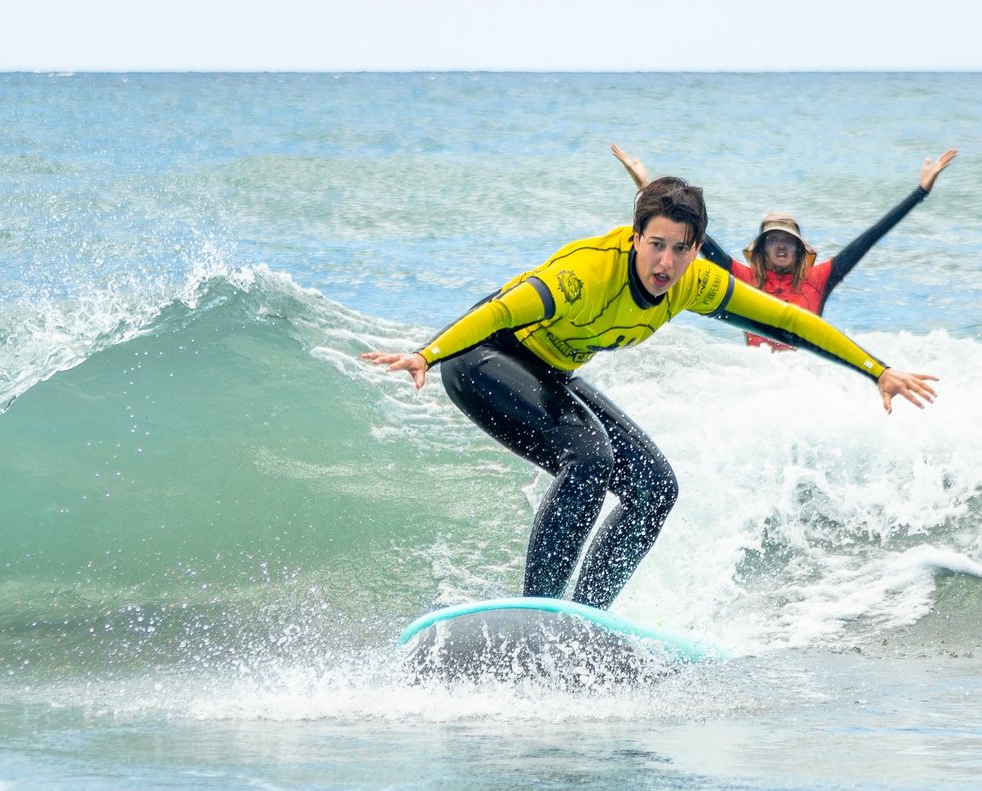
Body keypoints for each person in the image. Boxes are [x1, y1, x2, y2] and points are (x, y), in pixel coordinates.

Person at [361, 177, 937, 611]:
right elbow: (502, 310)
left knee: (655, 487)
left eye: (681, 248)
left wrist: (877, 371)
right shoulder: (587, 272)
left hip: (547, 372)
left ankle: (582, 621)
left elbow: (789, 323)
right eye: (656, 245)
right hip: (480, 356)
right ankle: (537, 615)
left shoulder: (695, 283)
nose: (666, 262)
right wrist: (427, 353)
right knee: (589, 459)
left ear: (696, 249)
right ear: (636, 237)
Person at [611, 145, 957, 349]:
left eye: (786, 240)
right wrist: (646, 183)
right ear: (760, 250)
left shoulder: (821, 278)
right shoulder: (742, 278)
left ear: (799, 248)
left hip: (803, 379)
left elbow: (872, 235)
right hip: (759, 379)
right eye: (772, 240)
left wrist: (920, 192)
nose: (780, 245)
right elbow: (692, 232)